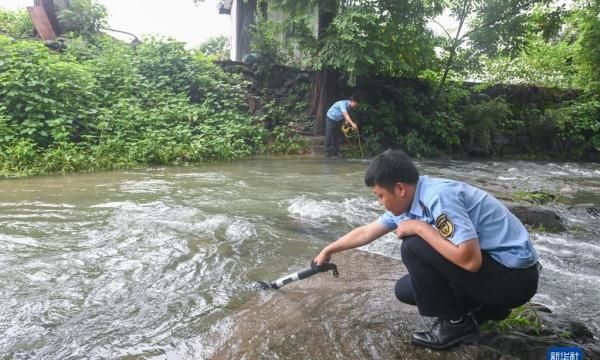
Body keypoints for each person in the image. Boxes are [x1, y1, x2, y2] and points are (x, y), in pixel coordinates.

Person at [314, 149, 540, 350]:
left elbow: (471, 261)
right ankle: (487, 308)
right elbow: (366, 232)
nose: (380, 202)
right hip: (500, 273)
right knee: (406, 290)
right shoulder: (412, 200)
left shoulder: (439, 197)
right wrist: (329, 249)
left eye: (380, 196)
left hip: (514, 281)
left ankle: (455, 325)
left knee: (412, 245)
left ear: (399, 188)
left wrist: (420, 228)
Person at [325, 94, 360, 158]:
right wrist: (352, 124)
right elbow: (346, 115)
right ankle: (328, 152)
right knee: (329, 135)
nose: (356, 106)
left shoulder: (350, 106)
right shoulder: (342, 104)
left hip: (339, 120)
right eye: (356, 104)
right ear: (352, 101)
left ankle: (336, 152)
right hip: (331, 118)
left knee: (337, 136)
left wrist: (345, 121)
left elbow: (346, 116)